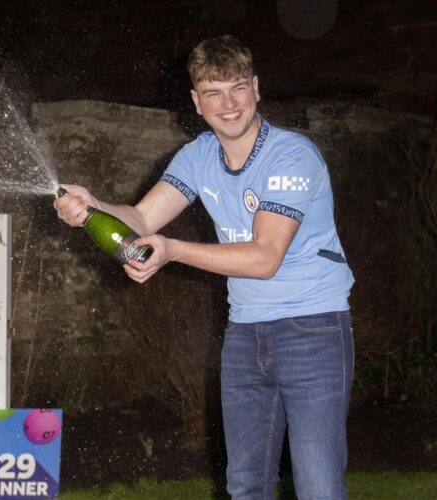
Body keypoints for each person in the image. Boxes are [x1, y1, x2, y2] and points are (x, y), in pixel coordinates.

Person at [55, 34, 355, 500]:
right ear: (196, 102)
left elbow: (264, 258)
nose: (228, 103)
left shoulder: (292, 155)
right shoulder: (196, 156)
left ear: (256, 88)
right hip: (245, 335)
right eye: (213, 92)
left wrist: (172, 250)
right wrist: (94, 206)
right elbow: (141, 219)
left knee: (318, 487)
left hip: (312, 331)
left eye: (237, 88)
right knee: (244, 487)